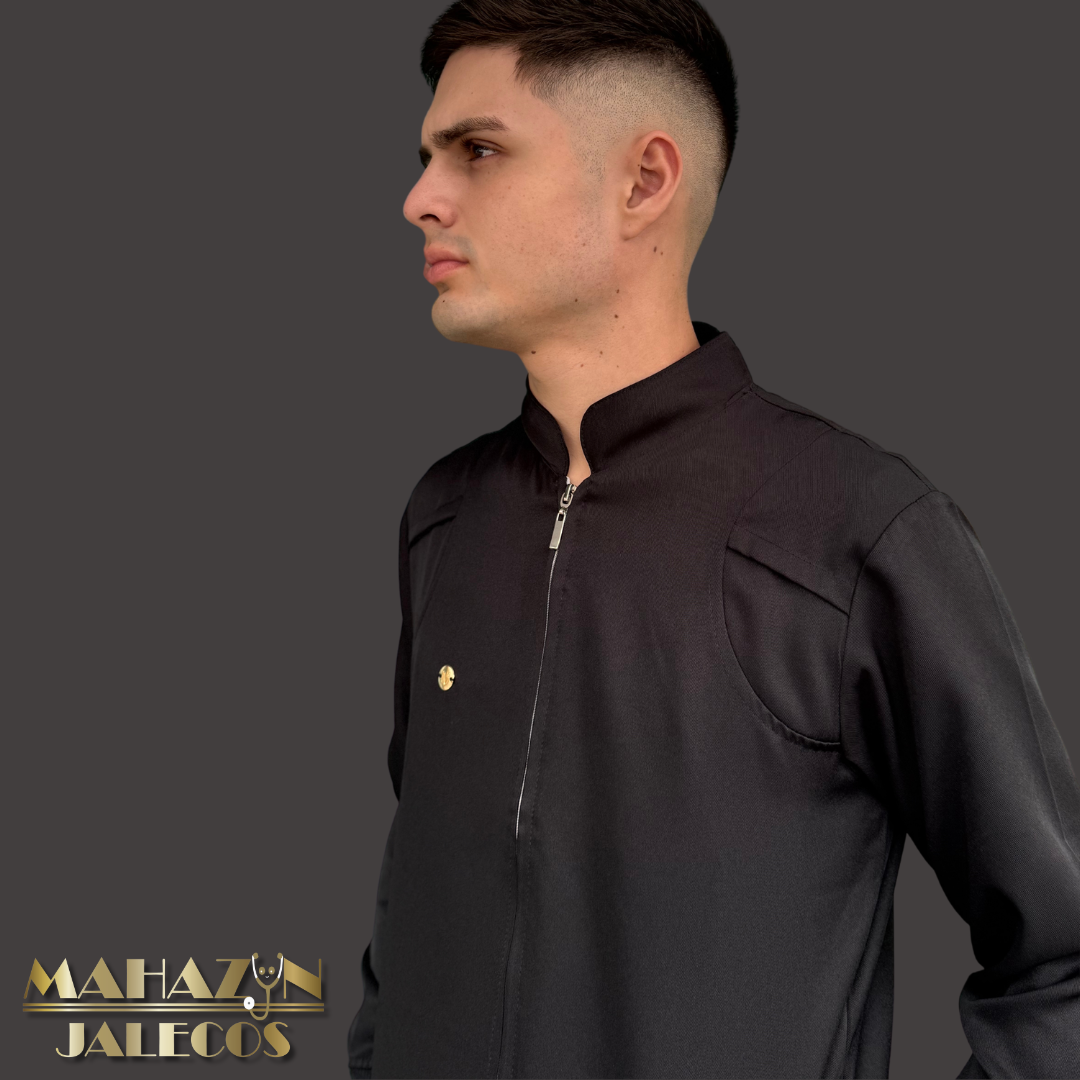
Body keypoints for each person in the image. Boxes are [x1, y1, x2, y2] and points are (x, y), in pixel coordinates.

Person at [347, 1, 1080, 1076]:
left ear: (645, 180)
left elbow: (1062, 962)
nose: (422, 198)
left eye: (478, 151)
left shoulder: (854, 531)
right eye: (427, 157)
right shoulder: (443, 518)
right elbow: (416, 895)